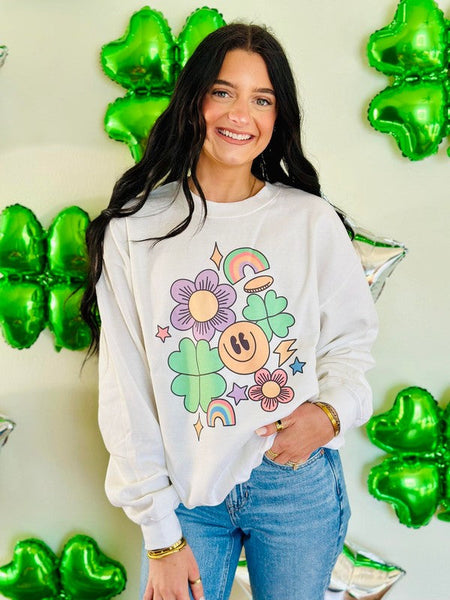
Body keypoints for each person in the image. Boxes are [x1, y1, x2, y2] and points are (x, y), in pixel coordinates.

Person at [81, 23, 378, 600]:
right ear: (194, 100)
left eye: (262, 99)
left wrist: (331, 414)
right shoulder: (135, 229)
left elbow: (351, 343)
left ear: (278, 116)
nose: (241, 114)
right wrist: (160, 536)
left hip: (295, 479)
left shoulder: (310, 220)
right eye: (223, 92)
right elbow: (126, 392)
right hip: (187, 492)